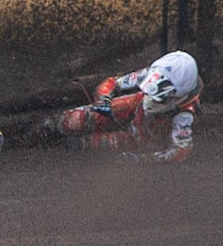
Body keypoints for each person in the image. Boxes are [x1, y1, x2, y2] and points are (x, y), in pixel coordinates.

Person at [47, 49, 202, 163]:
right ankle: (46, 128)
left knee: (94, 143)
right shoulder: (148, 74)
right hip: (136, 103)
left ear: (179, 95)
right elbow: (113, 82)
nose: (154, 99)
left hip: (148, 132)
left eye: (161, 97)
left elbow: (181, 151)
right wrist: (103, 100)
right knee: (74, 119)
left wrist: (141, 159)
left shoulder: (184, 115)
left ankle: (79, 144)